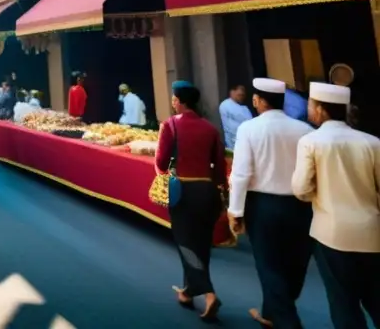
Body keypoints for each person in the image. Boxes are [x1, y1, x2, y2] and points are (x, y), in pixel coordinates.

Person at [227, 78, 314, 328]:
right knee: (294, 262)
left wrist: (235, 210)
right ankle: (270, 311)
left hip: (263, 206)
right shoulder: (304, 130)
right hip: (300, 206)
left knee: (269, 264)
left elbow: (241, 173)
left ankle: (288, 321)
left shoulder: (249, 129)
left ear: (258, 101)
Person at [292, 82, 380, 329]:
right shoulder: (372, 142)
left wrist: (318, 196)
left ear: (320, 110)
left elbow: (300, 188)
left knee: (344, 304)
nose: (308, 109)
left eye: (310, 104)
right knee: (375, 298)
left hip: (331, 234)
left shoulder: (310, 142)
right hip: (372, 233)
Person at [155, 80, 226, 321]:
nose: (173, 102)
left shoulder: (171, 125)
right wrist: (221, 191)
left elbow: (162, 162)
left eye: (174, 99)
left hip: (184, 191)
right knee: (201, 243)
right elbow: (219, 167)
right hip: (207, 191)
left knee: (185, 242)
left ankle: (208, 293)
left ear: (181, 101)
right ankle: (187, 292)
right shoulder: (210, 129)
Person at [219, 83, 253, 150]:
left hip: (249, 143)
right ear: (232, 91)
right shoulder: (226, 105)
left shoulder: (245, 108)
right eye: (241, 90)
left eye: (244, 92)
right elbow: (232, 128)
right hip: (234, 145)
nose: (243, 93)